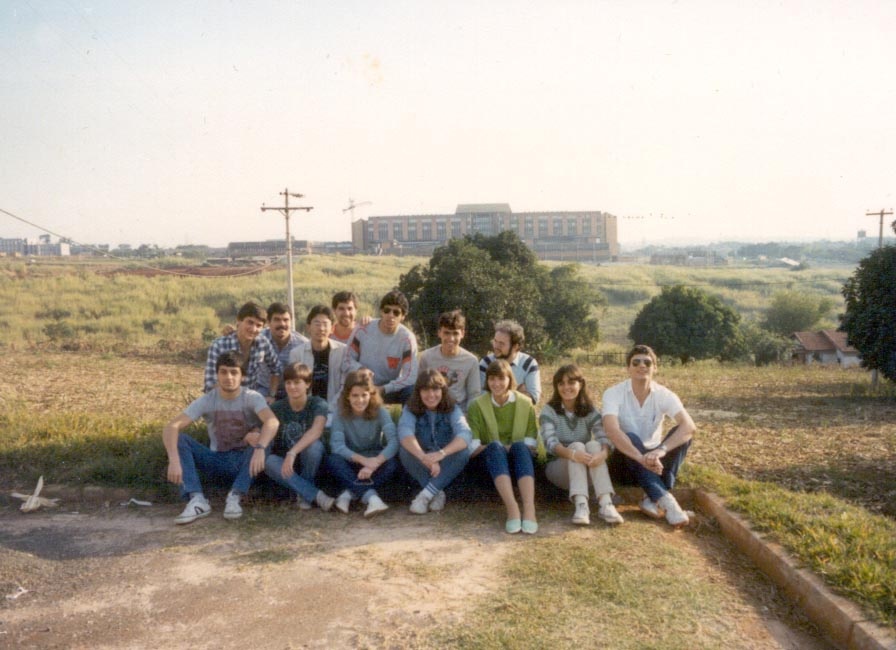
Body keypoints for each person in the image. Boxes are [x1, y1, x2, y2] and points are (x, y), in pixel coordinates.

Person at [163, 351, 278, 524]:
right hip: (216, 459)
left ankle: (235, 497)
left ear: (242, 376)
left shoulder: (251, 397)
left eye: (234, 372)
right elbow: (171, 426)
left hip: (244, 462)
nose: (228, 377)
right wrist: (174, 460)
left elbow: (272, 421)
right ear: (217, 375)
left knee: (264, 440)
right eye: (223, 372)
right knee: (180, 439)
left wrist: (261, 448)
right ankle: (197, 500)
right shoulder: (208, 400)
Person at [602, 344, 696, 528]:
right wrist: (641, 457)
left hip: (654, 460)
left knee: (683, 436)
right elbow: (611, 429)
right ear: (628, 368)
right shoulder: (613, 393)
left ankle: (650, 498)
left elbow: (689, 426)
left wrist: (660, 451)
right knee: (631, 437)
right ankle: (669, 504)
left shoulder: (664, 394)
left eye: (647, 362)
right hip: (625, 461)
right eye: (635, 362)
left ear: (655, 367)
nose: (641, 366)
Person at [540, 364, 623, 526]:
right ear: (556, 387)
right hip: (559, 469)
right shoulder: (549, 410)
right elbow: (550, 444)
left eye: (571, 382)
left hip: (587, 469)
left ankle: (606, 504)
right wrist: (573, 454)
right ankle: (581, 505)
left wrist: (603, 454)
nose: (566, 387)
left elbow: (603, 437)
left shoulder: (590, 410)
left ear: (581, 384)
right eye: (561, 383)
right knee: (577, 445)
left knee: (594, 445)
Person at [467, 359, 539, 534]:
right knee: (495, 447)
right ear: (487, 381)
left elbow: (531, 442)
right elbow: (473, 446)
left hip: (519, 460)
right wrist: (500, 448)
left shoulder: (525, 403)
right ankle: (512, 508)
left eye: (501, 378)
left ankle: (529, 509)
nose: (496, 383)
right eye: (492, 379)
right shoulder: (477, 405)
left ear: (510, 379)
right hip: (490, 462)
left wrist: (509, 448)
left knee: (521, 447)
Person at [326, 369, 400, 517]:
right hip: (351, 460)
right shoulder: (339, 413)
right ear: (347, 396)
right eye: (355, 395)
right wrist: (364, 461)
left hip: (374, 461)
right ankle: (371, 498)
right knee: (333, 460)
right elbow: (337, 446)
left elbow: (394, 441)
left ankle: (348, 494)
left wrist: (375, 462)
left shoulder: (380, 411)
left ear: (371, 394)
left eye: (364, 395)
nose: (360, 400)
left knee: (392, 464)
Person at [398, 369, 472, 514]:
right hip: (421, 458)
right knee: (404, 450)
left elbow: (465, 434)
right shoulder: (410, 408)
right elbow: (404, 432)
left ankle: (425, 496)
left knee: (463, 451)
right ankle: (437, 492)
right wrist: (424, 457)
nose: (431, 395)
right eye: (425, 390)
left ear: (443, 391)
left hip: (445, 459)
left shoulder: (452, 408)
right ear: (418, 392)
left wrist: (441, 454)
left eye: (435, 389)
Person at [265, 363, 334, 511]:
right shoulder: (277, 407)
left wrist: (293, 452)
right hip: (286, 465)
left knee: (314, 446)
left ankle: (302, 490)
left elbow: (316, 431)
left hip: (311, 462)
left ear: (308, 384)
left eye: (297, 382)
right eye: (288, 382)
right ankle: (313, 495)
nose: (292, 387)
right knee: (268, 460)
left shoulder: (318, 403)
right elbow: (263, 429)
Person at [344, 290, 418, 404]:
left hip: (389, 389)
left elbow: (410, 376)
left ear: (403, 316)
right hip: (362, 385)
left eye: (396, 312)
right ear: (381, 311)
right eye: (387, 310)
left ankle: (406, 421)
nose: (390, 315)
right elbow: (347, 359)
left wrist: (384, 389)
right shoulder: (363, 329)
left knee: (411, 391)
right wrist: (360, 369)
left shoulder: (407, 339)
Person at [204, 301, 282, 401]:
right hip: (222, 400)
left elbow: (276, 368)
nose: (253, 329)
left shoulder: (262, 343)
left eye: (258, 325)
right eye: (250, 322)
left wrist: (271, 395)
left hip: (250, 399)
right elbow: (210, 384)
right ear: (239, 321)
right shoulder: (219, 345)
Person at [288, 305, 356, 415]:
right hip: (306, 411)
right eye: (317, 324)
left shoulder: (343, 351)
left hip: (335, 410)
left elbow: (345, 386)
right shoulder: (296, 354)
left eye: (325, 324)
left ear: (332, 328)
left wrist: (330, 409)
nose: (321, 328)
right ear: (308, 327)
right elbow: (294, 387)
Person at [419, 310, 481, 412]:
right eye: (446, 333)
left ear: (462, 334)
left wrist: (468, 417)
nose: (451, 338)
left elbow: (474, 395)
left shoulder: (471, 361)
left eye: (455, 333)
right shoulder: (427, 357)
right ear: (439, 333)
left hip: (458, 408)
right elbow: (419, 388)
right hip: (432, 407)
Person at [478, 319, 541, 403]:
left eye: (501, 343)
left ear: (515, 346)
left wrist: (497, 393)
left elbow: (533, 398)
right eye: (495, 341)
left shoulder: (529, 364)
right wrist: (517, 391)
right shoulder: (486, 363)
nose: (496, 346)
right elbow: (483, 398)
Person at [257, 302, 309, 401]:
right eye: (277, 320)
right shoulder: (259, 339)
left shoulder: (302, 344)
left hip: (291, 390)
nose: (282, 324)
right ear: (268, 322)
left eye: (286, 320)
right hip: (263, 388)